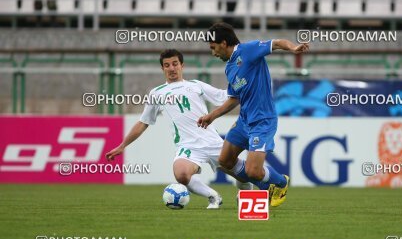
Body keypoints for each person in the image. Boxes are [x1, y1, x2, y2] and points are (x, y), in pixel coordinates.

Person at [105, 49, 252, 209]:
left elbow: (224, 96)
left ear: (182, 65)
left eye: (175, 64)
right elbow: (143, 122)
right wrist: (122, 146)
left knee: (244, 175)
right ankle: (213, 197)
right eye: (167, 65)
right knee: (181, 173)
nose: (171, 68)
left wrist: (241, 83)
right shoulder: (156, 93)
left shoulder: (196, 85)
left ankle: (245, 195)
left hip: (213, 142)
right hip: (188, 146)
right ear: (163, 69)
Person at [198, 22, 309, 207]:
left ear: (224, 43)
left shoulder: (248, 50)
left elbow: (277, 43)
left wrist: (293, 48)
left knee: (253, 171)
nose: (213, 53)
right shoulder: (229, 68)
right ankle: (266, 188)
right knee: (224, 160)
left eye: (213, 47)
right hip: (244, 121)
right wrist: (212, 116)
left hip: (262, 120)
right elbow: (234, 98)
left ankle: (280, 182)